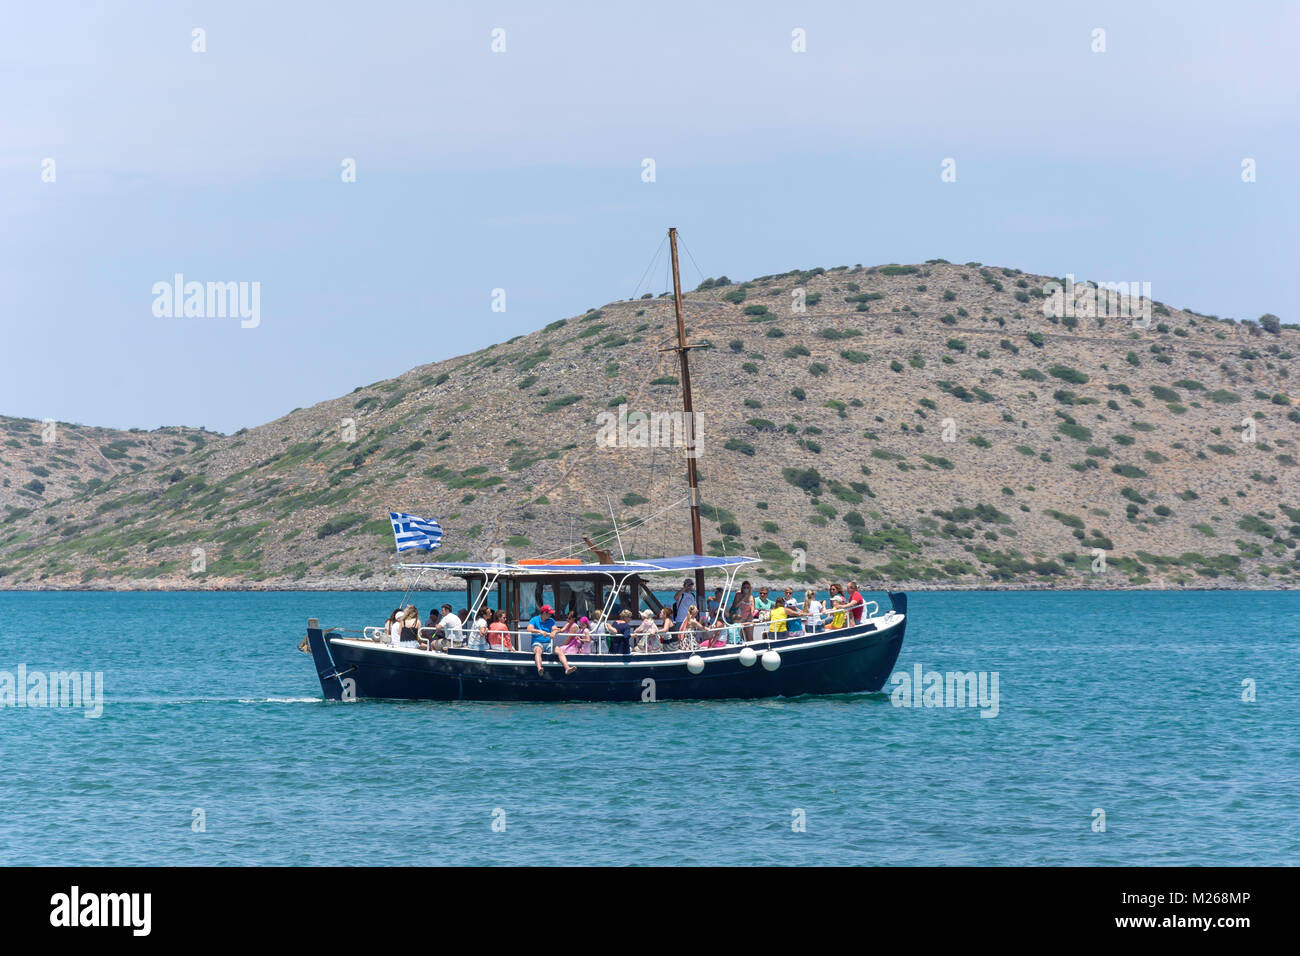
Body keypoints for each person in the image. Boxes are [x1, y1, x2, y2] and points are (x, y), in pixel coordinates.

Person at [527, 604, 575, 675]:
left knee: (558, 649)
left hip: (548, 644)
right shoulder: (534, 619)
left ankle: (567, 668)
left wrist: (554, 632)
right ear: (544, 613)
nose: (551, 615)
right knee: (538, 650)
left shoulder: (551, 620)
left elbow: (556, 629)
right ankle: (539, 668)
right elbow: (529, 629)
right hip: (537, 643)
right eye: (550, 613)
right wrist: (540, 631)